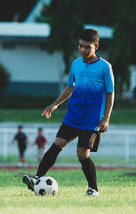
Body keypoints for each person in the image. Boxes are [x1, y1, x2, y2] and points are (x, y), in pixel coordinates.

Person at [22, 29, 115, 197]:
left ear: (96, 46)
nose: (82, 50)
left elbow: (110, 93)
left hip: (92, 119)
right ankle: (37, 178)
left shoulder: (105, 67)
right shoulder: (76, 64)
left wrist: (106, 118)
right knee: (58, 143)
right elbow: (70, 86)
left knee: (82, 154)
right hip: (73, 116)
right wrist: (54, 104)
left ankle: (93, 189)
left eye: (87, 47)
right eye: (80, 46)